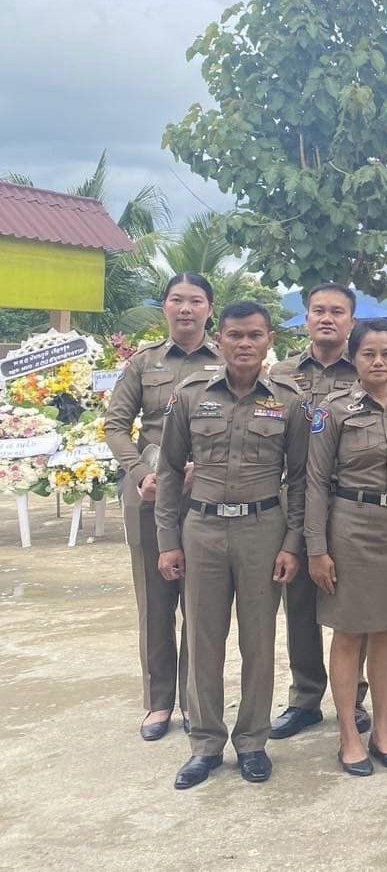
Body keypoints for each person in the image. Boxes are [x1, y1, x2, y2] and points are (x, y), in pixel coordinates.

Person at [155, 302, 308, 789]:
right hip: (202, 530)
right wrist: (168, 541)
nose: (245, 344)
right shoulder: (190, 394)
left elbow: (301, 479)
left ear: (269, 342)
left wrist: (292, 543)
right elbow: (169, 471)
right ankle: (204, 743)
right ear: (218, 339)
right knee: (202, 639)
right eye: (236, 335)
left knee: (258, 641)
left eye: (255, 335)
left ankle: (252, 742)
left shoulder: (289, 400)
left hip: (263, 530)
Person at [304, 319, 387, 776]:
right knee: (348, 632)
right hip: (350, 528)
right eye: (368, 354)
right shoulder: (333, 410)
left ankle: (382, 729)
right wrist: (316, 548)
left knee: (386, 630)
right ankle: (348, 734)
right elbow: (315, 482)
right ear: (353, 357)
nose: (378, 362)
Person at [104, 272, 222, 742]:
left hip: (206, 496)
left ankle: (194, 700)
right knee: (155, 604)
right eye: (177, 300)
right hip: (151, 494)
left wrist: (206, 468)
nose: (186, 309)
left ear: (210, 308)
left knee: (201, 604)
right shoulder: (143, 363)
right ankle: (158, 702)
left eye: (196, 301)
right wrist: (138, 473)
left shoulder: (225, 361)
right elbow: (116, 425)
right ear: (165, 307)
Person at [268, 283, 365, 742]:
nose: (327, 318)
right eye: (318, 311)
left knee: (353, 604)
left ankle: (355, 697)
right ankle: (305, 697)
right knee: (301, 603)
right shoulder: (282, 373)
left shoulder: (367, 367)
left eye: (337, 312)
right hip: (296, 498)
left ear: (351, 321)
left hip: (350, 502)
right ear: (306, 318)